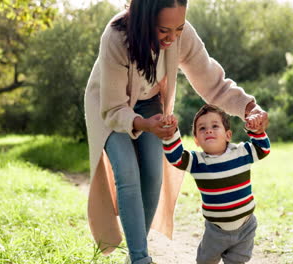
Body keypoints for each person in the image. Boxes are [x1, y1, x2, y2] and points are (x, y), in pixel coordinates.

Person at [83, 0, 269, 263]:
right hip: (109, 106)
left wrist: (251, 107)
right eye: (163, 31)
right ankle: (140, 258)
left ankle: (136, 251)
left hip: (149, 103)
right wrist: (145, 125)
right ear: (145, 20)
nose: (172, 38)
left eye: (178, 29)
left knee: (153, 174)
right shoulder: (116, 36)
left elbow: (213, 82)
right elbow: (114, 108)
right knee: (126, 172)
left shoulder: (182, 34)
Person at [161, 104, 270, 264]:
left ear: (228, 135)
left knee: (238, 260)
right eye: (202, 128)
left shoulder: (241, 152)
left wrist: (256, 131)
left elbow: (263, 149)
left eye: (214, 126)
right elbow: (176, 158)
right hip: (216, 231)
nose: (209, 130)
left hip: (245, 226)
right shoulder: (197, 161)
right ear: (196, 140)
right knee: (206, 260)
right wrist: (171, 134)